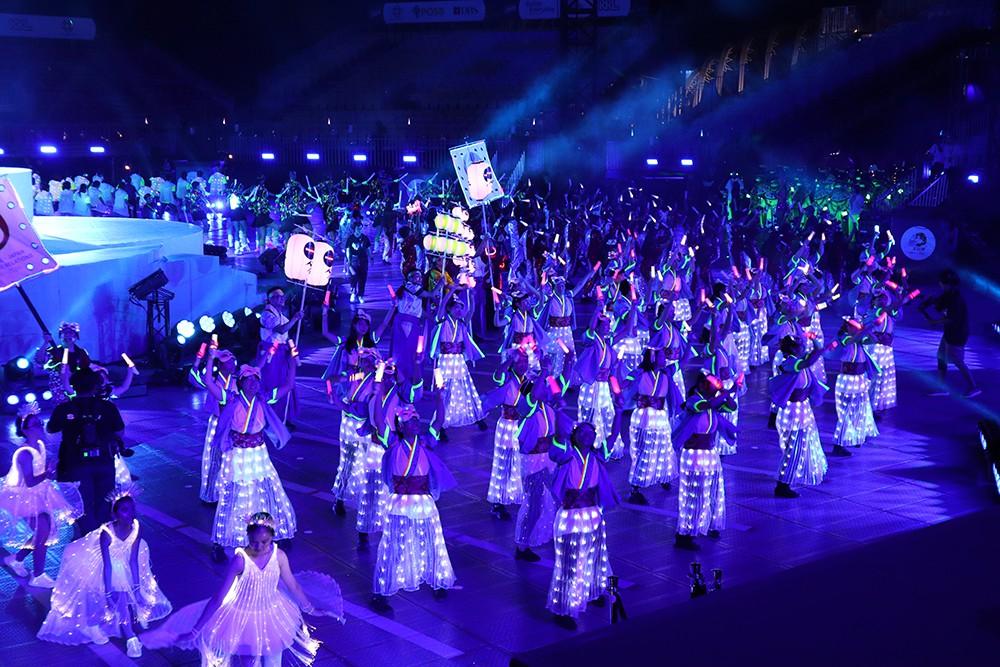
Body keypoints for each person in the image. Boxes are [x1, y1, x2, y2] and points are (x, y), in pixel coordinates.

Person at [166, 512, 343, 666]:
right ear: (248, 537)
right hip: (243, 618)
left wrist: (311, 609)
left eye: (264, 542)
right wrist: (195, 630)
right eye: (253, 542)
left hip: (273, 613)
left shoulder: (279, 557)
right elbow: (219, 597)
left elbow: (293, 586)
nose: (258, 547)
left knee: (273, 661)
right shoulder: (240, 560)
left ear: (272, 536)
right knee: (249, 662)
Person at [38, 487, 172, 658]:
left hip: (124, 562)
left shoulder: (137, 528)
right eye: (124, 510)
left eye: (131, 509)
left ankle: (99, 625)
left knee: (125, 597)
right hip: (99, 564)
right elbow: (107, 565)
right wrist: (109, 592)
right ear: (115, 514)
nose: (129, 514)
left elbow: (133, 560)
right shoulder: (107, 533)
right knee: (119, 598)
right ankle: (130, 638)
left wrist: (137, 588)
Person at [205, 355, 297, 562]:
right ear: (241, 383)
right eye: (248, 381)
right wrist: (210, 358)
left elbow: (289, 385)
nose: (253, 384)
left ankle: (278, 532)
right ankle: (220, 542)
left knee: (268, 490)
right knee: (232, 495)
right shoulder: (230, 399)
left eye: (256, 380)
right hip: (237, 454)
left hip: (259, 453)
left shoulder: (263, 399)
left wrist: (292, 362)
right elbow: (208, 381)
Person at [372, 406, 457, 609]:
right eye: (411, 421)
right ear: (401, 426)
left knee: (432, 542)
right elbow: (379, 420)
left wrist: (439, 399)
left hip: (423, 502)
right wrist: (378, 390)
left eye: (417, 419)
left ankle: (438, 581)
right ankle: (382, 591)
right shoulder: (392, 443)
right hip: (399, 503)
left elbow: (439, 421)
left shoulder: (426, 442)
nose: (416, 423)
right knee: (393, 545)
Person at [0, 402, 83, 587]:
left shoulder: (39, 445)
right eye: (34, 425)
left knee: (44, 532)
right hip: (23, 497)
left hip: (40, 493)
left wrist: (49, 471)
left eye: (39, 423)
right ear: (25, 430)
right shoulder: (25, 453)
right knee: (44, 531)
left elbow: (41, 474)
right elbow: (30, 481)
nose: (39, 427)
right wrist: (48, 472)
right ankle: (38, 576)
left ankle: (17, 559)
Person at [546, 421, 618, 630]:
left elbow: (613, 436)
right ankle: (562, 607)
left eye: (591, 432)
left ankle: (592, 592)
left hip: (593, 515)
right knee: (569, 563)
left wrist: (619, 413)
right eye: (583, 432)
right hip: (570, 517)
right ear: (574, 436)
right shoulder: (567, 455)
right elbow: (556, 447)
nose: (588, 435)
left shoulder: (597, 456)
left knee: (594, 558)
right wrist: (559, 426)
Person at [47, 368, 125, 533]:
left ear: (73, 386)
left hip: (74, 464)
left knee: (82, 506)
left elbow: (51, 429)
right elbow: (119, 432)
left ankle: (88, 541)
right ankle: (103, 540)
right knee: (104, 504)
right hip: (104, 461)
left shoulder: (64, 408)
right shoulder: (107, 407)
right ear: (96, 386)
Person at [919, 269, 980, 397]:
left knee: (957, 360)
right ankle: (942, 387)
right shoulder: (949, 295)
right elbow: (939, 303)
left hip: (957, 333)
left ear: (947, 284)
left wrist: (935, 322)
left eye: (942, 283)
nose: (940, 285)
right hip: (950, 331)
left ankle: (973, 387)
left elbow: (951, 318)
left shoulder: (955, 299)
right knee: (941, 356)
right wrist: (929, 301)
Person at [258, 286, 303, 422]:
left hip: (282, 353)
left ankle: (284, 416)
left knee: (286, 382)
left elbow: (286, 336)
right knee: (273, 383)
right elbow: (281, 330)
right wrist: (295, 318)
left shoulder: (282, 316)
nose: (281, 298)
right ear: (269, 300)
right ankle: (271, 417)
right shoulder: (266, 315)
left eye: (282, 296)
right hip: (271, 354)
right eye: (277, 296)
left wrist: (292, 349)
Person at [346, 220, 372, 304]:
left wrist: (371, 257)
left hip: (363, 260)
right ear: (354, 229)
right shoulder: (350, 238)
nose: (359, 230)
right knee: (353, 277)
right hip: (354, 260)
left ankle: (361, 295)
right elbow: (348, 250)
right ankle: (353, 293)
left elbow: (368, 248)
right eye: (358, 228)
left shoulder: (365, 238)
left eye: (361, 228)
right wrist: (348, 260)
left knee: (362, 278)